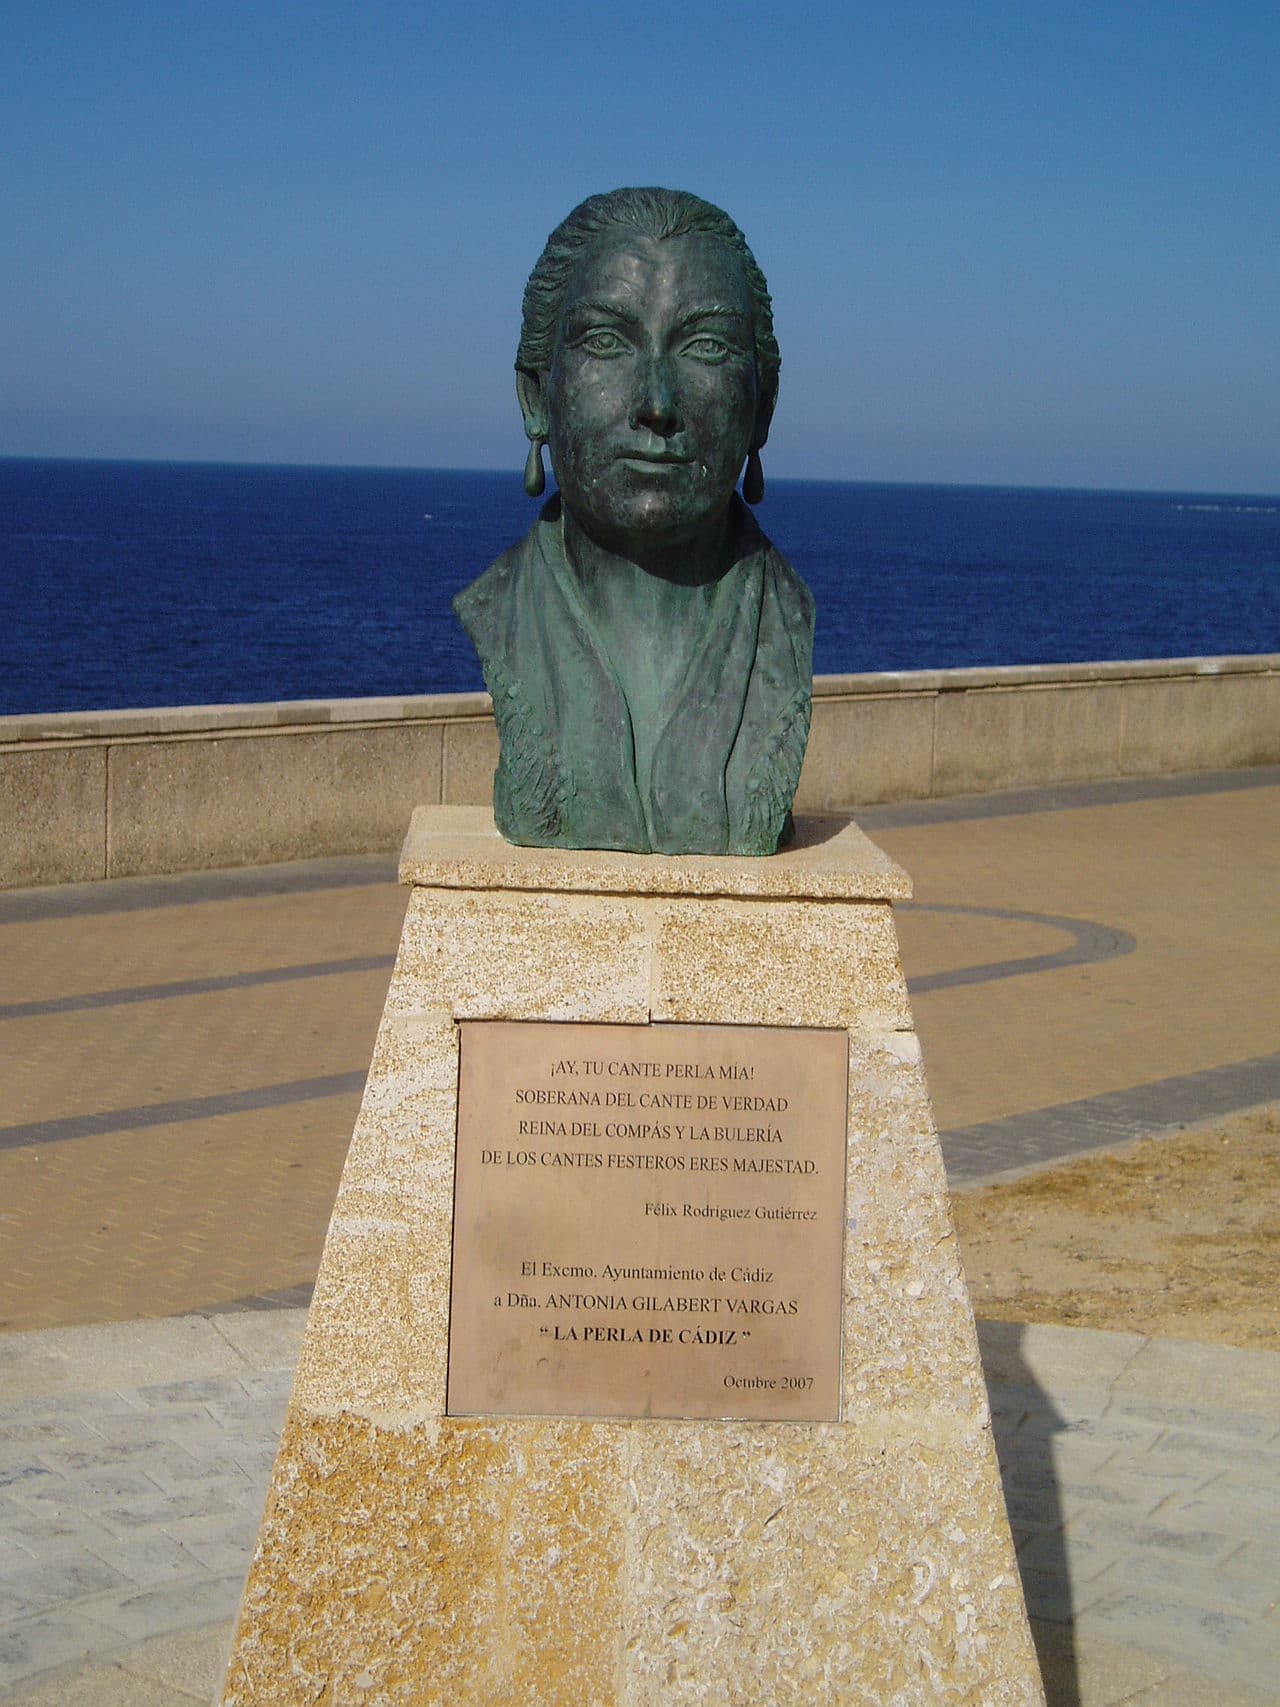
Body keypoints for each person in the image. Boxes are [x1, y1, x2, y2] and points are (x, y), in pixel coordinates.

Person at [454, 187, 814, 856]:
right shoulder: (500, 608)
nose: (656, 402)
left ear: (761, 408)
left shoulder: (784, 619)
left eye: (706, 346)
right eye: (605, 341)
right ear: (537, 396)